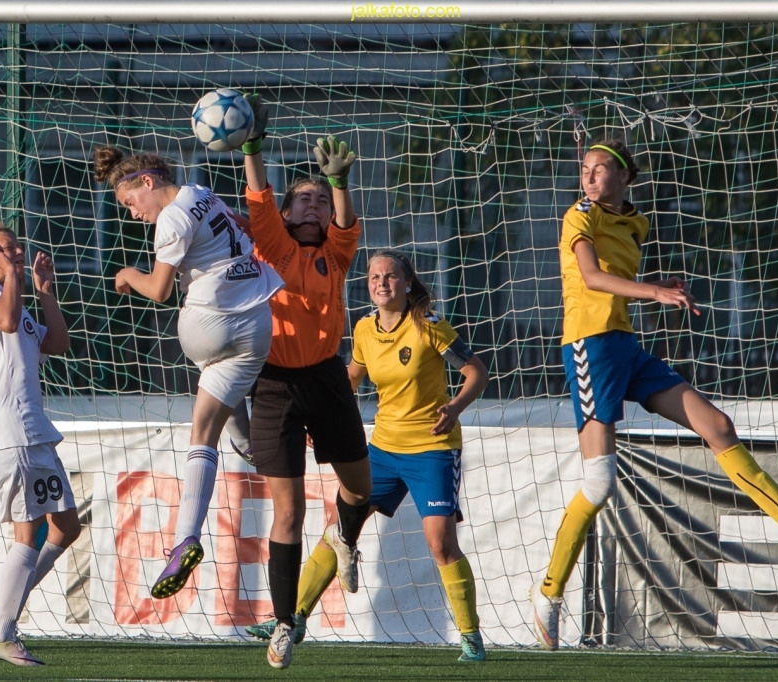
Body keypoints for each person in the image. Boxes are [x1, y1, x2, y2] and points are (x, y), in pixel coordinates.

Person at [530, 138, 778, 651]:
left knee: (717, 425)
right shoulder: (580, 214)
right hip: (589, 348)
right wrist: (655, 292)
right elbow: (591, 279)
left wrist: (656, 281)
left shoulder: (634, 222)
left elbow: (615, 276)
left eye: (601, 169)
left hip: (624, 347)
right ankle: (548, 595)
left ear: (626, 177)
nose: (589, 176)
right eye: (585, 168)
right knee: (598, 484)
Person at [245, 249, 490, 662]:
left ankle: (471, 638)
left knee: (440, 543)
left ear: (407, 283)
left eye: (390, 276)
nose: (381, 282)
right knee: (341, 525)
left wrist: (455, 408)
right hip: (382, 447)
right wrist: (315, 416)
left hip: (432, 447)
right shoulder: (363, 330)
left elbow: (476, 371)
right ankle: (292, 618)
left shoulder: (429, 326)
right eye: (374, 276)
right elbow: (349, 380)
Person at [93, 144, 284, 600]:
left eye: (130, 203)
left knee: (202, 430)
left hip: (209, 320)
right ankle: (241, 449)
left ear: (147, 182)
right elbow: (238, 221)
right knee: (214, 416)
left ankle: (187, 538)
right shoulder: (201, 190)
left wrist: (127, 274)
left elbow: (159, 290)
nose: (134, 214)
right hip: (257, 321)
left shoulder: (171, 219)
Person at [238, 97, 373, 669]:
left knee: (361, 490)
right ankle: (286, 623)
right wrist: (251, 148)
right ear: (289, 214)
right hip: (272, 385)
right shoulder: (271, 245)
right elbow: (258, 198)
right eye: (305, 198)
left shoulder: (336, 257)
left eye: (321, 197)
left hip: (327, 378)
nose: (315, 203)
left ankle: (344, 536)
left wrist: (340, 181)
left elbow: (345, 224)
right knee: (287, 511)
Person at [0, 223, 82, 666]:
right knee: (28, 532)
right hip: (8, 429)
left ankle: (1, 609)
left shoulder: (16, 299)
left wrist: (45, 291)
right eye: (3, 247)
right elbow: (6, 322)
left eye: (17, 246)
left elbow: (57, 342)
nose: (15, 251)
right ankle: (2, 632)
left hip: (32, 429)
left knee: (67, 526)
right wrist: (12, 275)